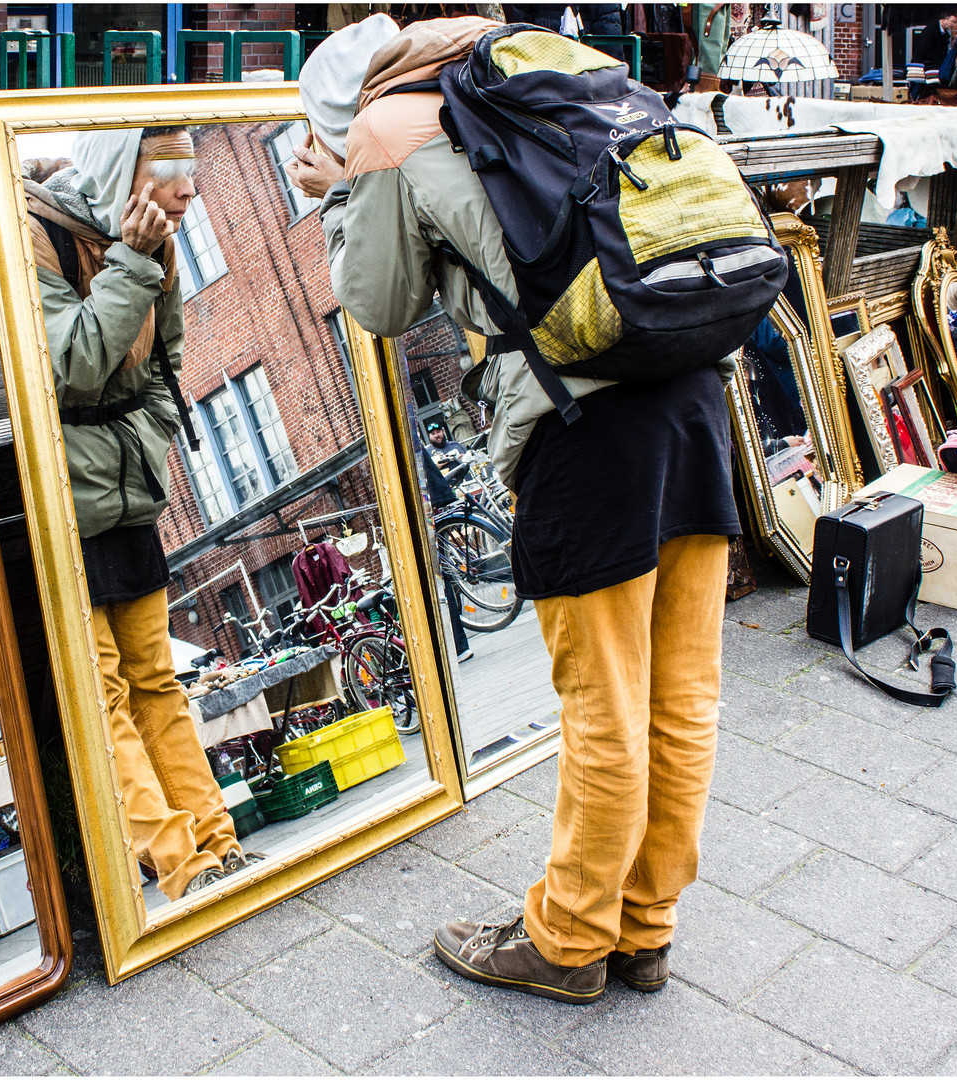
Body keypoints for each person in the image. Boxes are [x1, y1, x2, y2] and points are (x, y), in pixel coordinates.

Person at [292, 15, 740, 1004]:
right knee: (681, 693)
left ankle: (569, 939)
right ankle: (643, 927)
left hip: (583, 422)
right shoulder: (543, 76)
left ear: (336, 107)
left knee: (604, 704)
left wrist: (337, 197)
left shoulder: (386, 129)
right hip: (693, 385)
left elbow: (376, 301)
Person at [23, 125, 258, 900]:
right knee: (104, 695)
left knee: (156, 679)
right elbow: (73, 362)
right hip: (58, 503)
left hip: (125, 489)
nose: (190, 188)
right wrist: (130, 261)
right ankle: (177, 863)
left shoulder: (157, 243)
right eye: (171, 170)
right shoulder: (36, 235)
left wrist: (149, 432)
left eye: (192, 169)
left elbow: (169, 359)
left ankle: (217, 847)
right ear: (123, 170)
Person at [417, 422, 474, 662]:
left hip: (424, 508)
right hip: (435, 500)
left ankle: (455, 647)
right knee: (442, 575)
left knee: (435, 578)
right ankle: (458, 646)